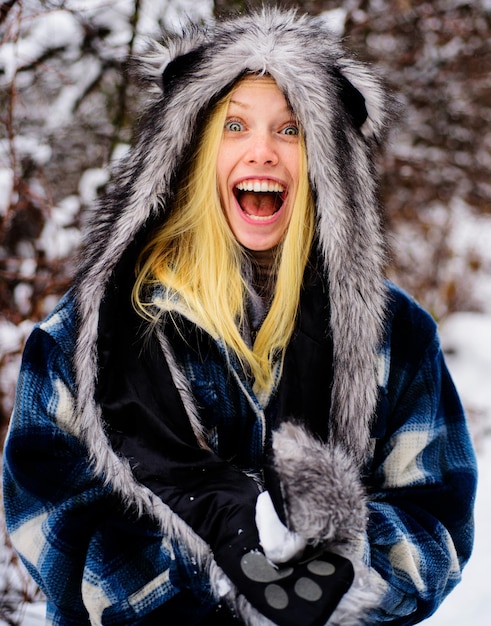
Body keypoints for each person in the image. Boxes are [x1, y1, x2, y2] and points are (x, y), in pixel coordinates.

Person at [2, 7, 477, 626]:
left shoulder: (396, 335)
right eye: (234, 126)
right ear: (194, 151)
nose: (263, 153)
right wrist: (213, 578)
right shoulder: (91, 334)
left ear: (327, 164)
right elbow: (49, 516)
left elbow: (435, 519)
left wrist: (338, 564)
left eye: (291, 130)